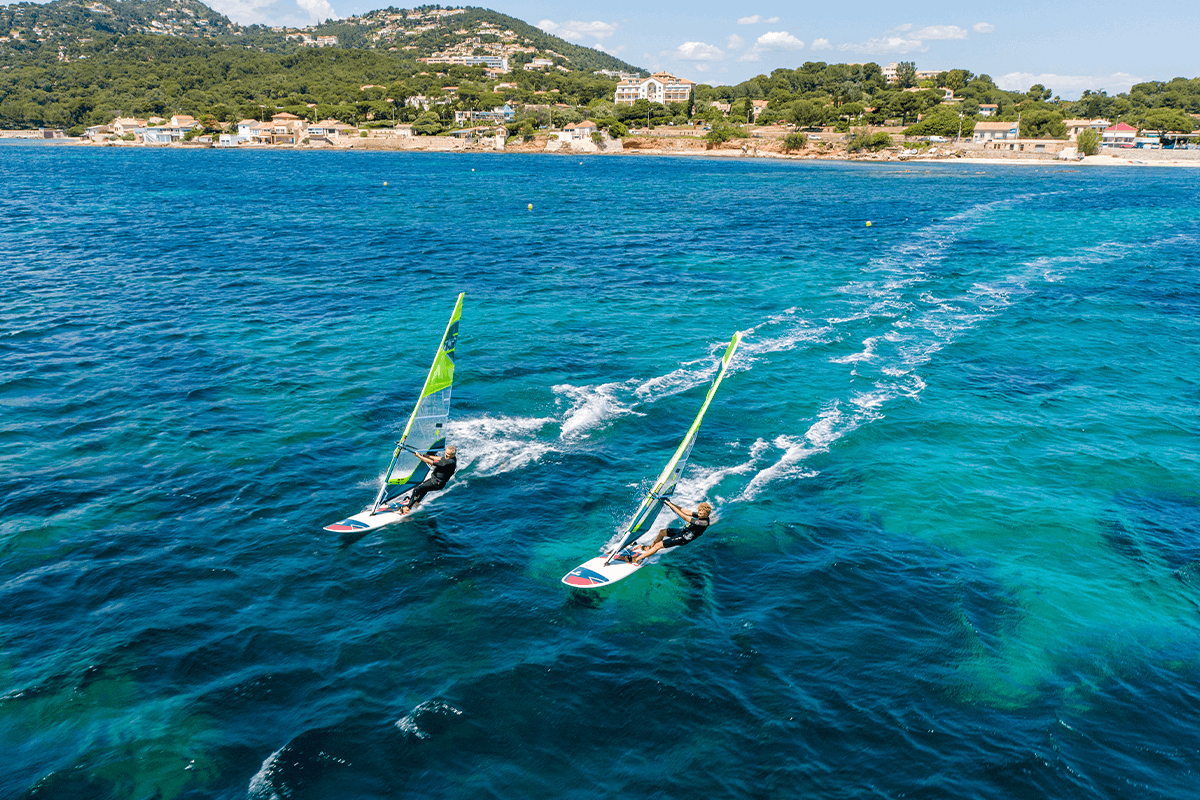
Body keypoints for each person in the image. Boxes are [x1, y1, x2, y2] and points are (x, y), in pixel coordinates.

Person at [629, 498, 712, 564]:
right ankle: (649, 549)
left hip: (684, 538)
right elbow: (686, 511)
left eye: (701, 514)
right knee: (662, 532)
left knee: (658, 545)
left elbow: (684, 517)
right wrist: (670, 503)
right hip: (683, 531)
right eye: (699, 512)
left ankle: (637, 559)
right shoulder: (701, 514)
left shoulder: (703, 522)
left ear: (706, 514)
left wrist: (670, 505)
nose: (699, 514)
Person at [392, 446, 457, 514]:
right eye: (446, 453)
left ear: (453, 455)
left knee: (417, 489)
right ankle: (417, 502)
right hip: (435, 480)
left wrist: (419, 456)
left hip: (437, 482)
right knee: (424, 489)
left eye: (448, 454)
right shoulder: (448, 458)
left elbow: (431, 462)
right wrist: (428, 456)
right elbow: (440, 458)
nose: (446, 455)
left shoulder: (450, 462)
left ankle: (408, 508)